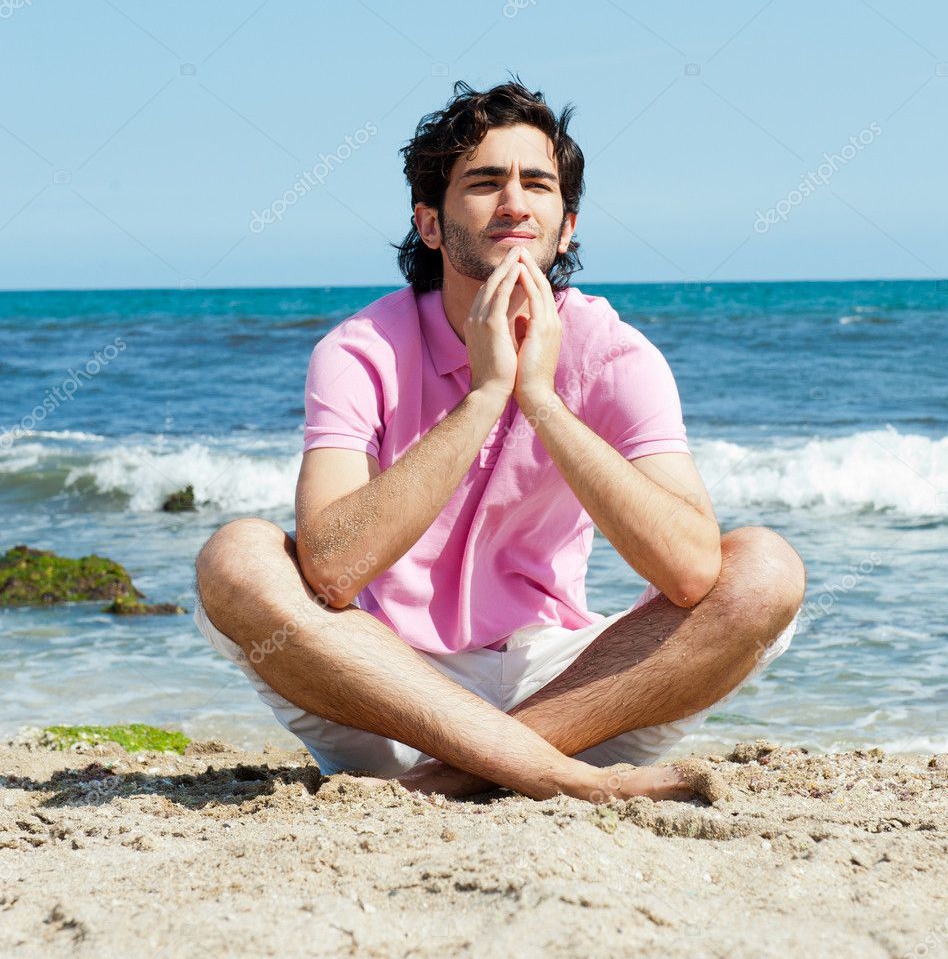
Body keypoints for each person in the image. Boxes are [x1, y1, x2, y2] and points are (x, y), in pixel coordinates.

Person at [194, 77, 806, 805]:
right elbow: (330, 569)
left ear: (567, 226)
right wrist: (487, 394)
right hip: (384, 691)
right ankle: (544, 776)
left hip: (568, 693)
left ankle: (464, 773)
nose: (515, 202)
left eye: (537, 184)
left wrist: (540, 398)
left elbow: (690, 571)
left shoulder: (616, 353)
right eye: (485, 182)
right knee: (237, 557)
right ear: (429, 223)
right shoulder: (360, 350)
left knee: (765, 568)